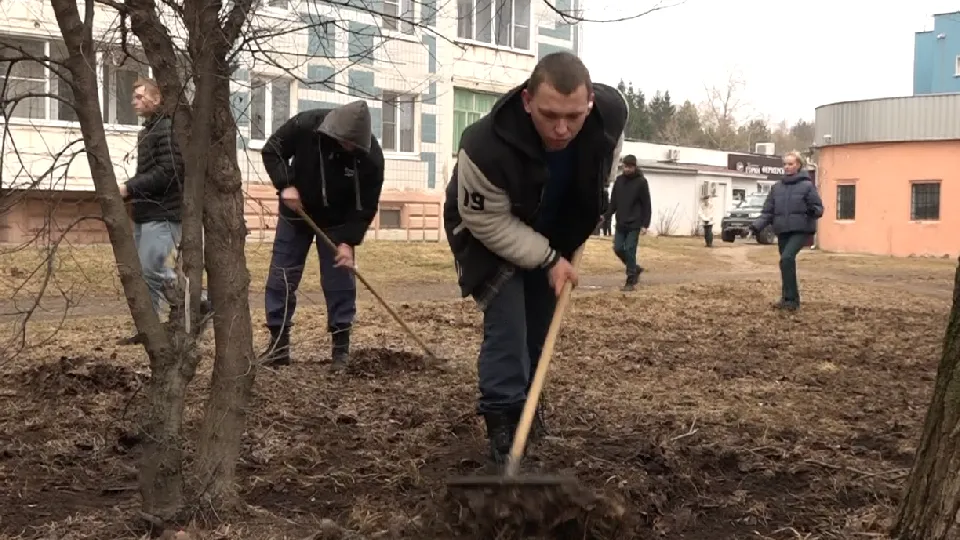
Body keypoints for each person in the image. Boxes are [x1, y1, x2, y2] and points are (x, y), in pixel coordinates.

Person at [443, 51, 628, 466]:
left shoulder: (610, 117)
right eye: (548, 115)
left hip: (553, 227)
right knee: (508, 320)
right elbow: (485, 220)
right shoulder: (484, 144)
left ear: (590, 106)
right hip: (486, 230)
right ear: (527, 101)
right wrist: (548, 260)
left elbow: (606, 165)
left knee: (540, 319)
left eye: (574, 117)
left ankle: (529, 404)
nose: (561, 129)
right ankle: (503, 423)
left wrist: (592, 204)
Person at [260, 101, 386, 371]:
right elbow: (272, 150)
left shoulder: (370, 157)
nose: (350, 148)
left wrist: (349, 241)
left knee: (340, 281)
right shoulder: (306, 125)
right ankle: (278, 344)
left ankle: (341, 349)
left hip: (338, 223)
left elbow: (365, 206)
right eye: (346, 143)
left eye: (355, 145)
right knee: (281, 277)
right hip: (297, 215)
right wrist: (286, 184)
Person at [117, 77, 189, 345]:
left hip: (164, 212)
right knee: (145, 273)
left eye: (139, 96)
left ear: (157, 99)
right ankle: (150, 330)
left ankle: (200, 303)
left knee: (154, 269)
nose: (134, 101)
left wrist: (129, 188)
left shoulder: (168, 129)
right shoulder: (149, 130)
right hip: (146, 212)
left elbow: (169, 173)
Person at [749, 151, 823, 311]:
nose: (787, 167)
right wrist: (756, 226)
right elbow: (768, 212)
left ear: (799, 165)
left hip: (801, 229)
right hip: (782, 230)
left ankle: (791, 300)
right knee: (785, 263)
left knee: (787, 258)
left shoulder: (807, 186)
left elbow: (818, 208)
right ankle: (787, 298)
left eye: (791, 164)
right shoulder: (777, 188)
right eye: (785, 164)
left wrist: (813, 211)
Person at [604, 154, 651, 292]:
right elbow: (613, 203)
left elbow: (646, 204)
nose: (627, 169)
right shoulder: (619, 181)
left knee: (630, 249)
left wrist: (645, 224)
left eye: (630, 167)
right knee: (618, 248)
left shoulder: (641, 182)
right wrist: (605, 216)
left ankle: (631, 280)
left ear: (635, 167)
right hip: (621, 222)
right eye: (625, 166)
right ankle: (634, 268)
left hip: (635, 223)